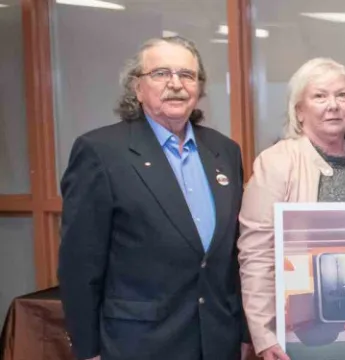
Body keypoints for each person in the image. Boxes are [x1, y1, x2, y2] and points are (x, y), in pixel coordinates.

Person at [58, 36, 248, 360]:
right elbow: (80, 264)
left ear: (199, 88)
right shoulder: (100, 152)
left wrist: (243, 331)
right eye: (161, 73)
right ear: (136, 87)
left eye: (187, 75)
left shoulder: (224, 151)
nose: (176, 84)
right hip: (138, 343)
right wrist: (87, 349)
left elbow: (233, 256)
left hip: (218, 340)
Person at [238, 57, 345, 360]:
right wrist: (264, 334)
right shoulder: (277, 162)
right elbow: (256, 254)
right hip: (304, 326)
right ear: (299, 110)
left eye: (342, 95)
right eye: (319, 96)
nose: (333, 105)